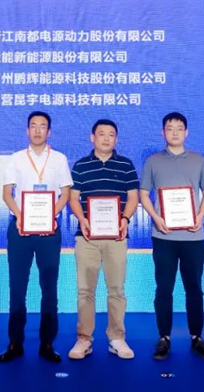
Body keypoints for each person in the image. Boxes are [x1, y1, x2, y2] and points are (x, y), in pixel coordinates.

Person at [139, 112, 204, 361]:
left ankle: (197, 337)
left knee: (195, 288)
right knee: (164, 288)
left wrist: (200, 216)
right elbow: (143, 193)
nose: (174, 132)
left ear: (186, 132)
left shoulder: (198, 160)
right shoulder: (152, 161)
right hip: (163, 236)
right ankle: (164, 337)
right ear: (162, 132)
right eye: (170, 128)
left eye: (179, 128)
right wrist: (156, 217)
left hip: (193, 235)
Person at [0, 111, 73, 364]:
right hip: (20, 230)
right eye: (33, 126)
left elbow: (65, 194)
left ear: (49, 131)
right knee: (17, 288)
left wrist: (51, 215)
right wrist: (20, 216)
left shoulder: (59, 159)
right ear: (27, 130)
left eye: (42, 126)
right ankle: (15, 343)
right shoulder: (16, 159)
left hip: (48, 230)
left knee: (49, 289)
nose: (38, 130)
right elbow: (7, 193)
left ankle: (47, 343)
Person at [67, 119, 140, 361]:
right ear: (92, 137)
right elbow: (74, 198)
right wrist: (82, 219)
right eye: (101, 134)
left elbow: (133, 197)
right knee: (85, 290)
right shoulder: (80, 165)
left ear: (116, 139)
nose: (106, 138)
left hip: (117, 236)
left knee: (116, 289)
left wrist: (125, 219)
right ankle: (84, 339)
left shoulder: (126, 165)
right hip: (87, 236)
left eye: (111, 134)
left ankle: (117, 337)